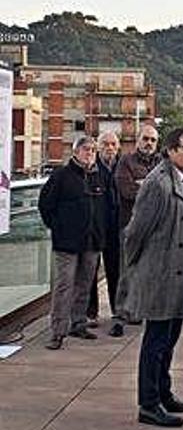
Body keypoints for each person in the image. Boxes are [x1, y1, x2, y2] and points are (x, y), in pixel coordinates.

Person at [119, 128, 183, 428]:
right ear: (169, 150)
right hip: (159, 274)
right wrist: (139, 267)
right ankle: (149, 404)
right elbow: (136, 231)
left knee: (169, 339)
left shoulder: (180, 178)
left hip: (175, 274)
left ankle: (164, 393)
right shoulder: (157, 183)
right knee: (155, 341)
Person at [39, 136, 107, 350]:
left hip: (92, 241)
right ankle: (57, 331)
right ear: (76, 152)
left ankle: (78, 323)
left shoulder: (99, 176)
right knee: (64, 286)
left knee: (85, 285)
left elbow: (107, 206)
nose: (90, 153)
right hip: (67, 242)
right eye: (86, 149)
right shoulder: (61, 176)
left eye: (93, 150)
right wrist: (57, 227)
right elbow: (45, 205)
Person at [111, 122, 161, 337]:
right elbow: (127, 191)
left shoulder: (162, 163)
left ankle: (146, 310)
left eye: (153, 140)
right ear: (137, 140)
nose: (149, 143)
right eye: (145, 139)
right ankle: (121, 314)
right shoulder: (125, 162)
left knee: (153, 271)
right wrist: (151, 188)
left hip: (157, 227)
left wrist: (143, 184)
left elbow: (171, 189)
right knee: (128, 271)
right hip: (130, 226)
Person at [86, 130, 121, 327]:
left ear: (118, 148)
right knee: (91, 271)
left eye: (113, 144)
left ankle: (117, 309)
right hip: (94, 228)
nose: (109, 148)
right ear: (99, 147)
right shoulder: (91, 168)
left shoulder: (121, 167)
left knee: (116, 270)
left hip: (115, 227)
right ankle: (91, 313)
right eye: (105, 144)